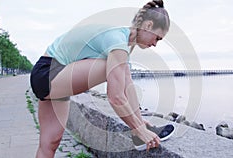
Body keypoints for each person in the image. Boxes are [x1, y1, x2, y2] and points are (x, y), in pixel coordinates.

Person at [30, 0, 171, 157]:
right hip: (48, 73)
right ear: (148, 26)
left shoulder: (121, 43)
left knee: (50, 143)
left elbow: (128, 87)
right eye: (158, 38)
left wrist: (140, 122)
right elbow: (116, 97)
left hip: (55, 80)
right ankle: (138, 135)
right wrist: (138, 129)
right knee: (117, 68)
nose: (156, 44)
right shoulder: (117, 41)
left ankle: (139, 132)